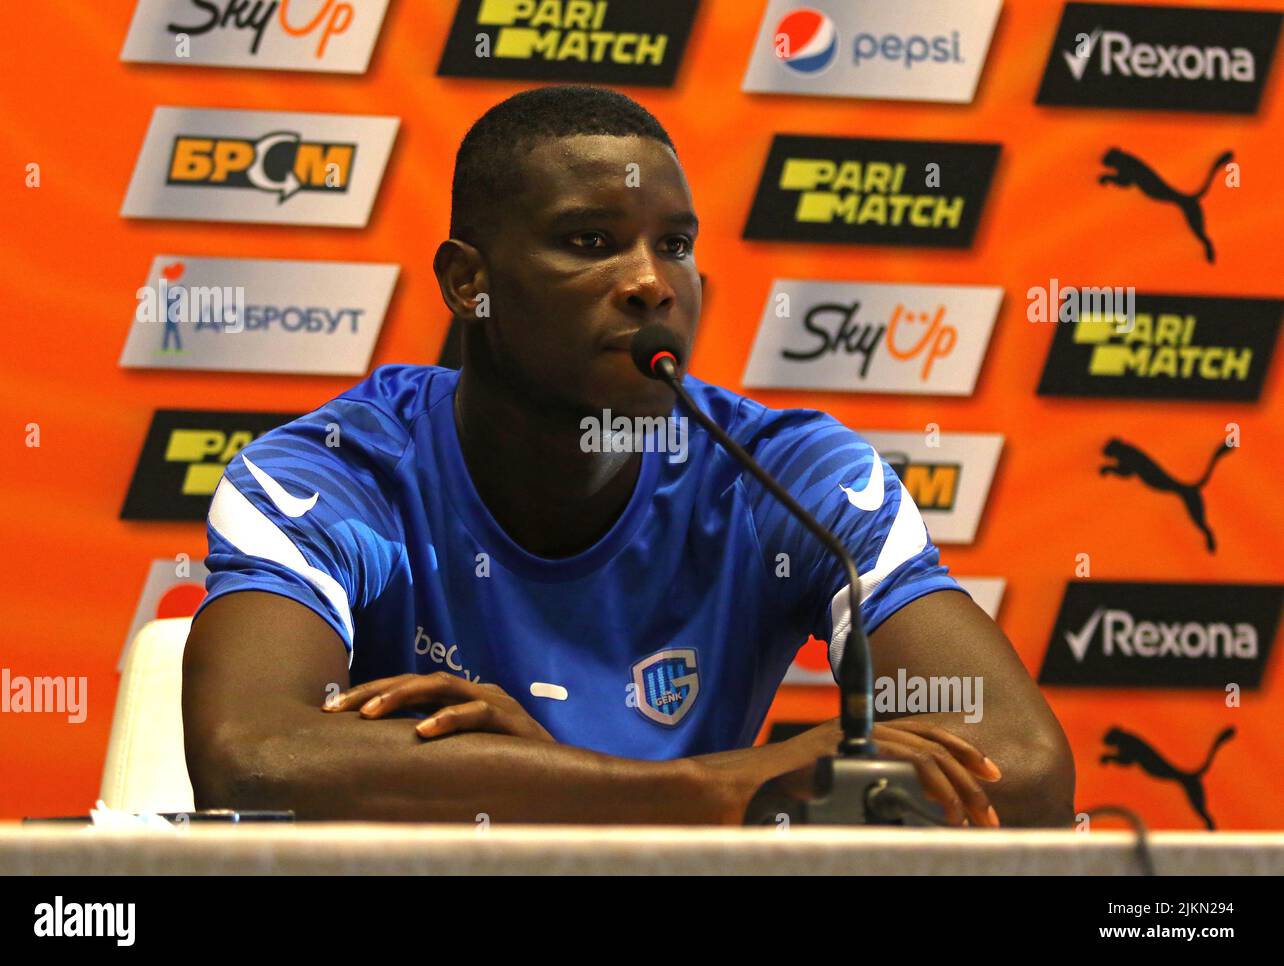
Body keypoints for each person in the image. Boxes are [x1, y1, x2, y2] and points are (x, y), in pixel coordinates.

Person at [182, 85, 1074, 826]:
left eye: (676, 246)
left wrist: (559, 784)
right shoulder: (335, 476)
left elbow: (1021, 768)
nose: (653, 281)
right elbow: (254, 757)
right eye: (590, 243)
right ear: (469, 282)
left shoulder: (789, 481)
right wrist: (716, 790)